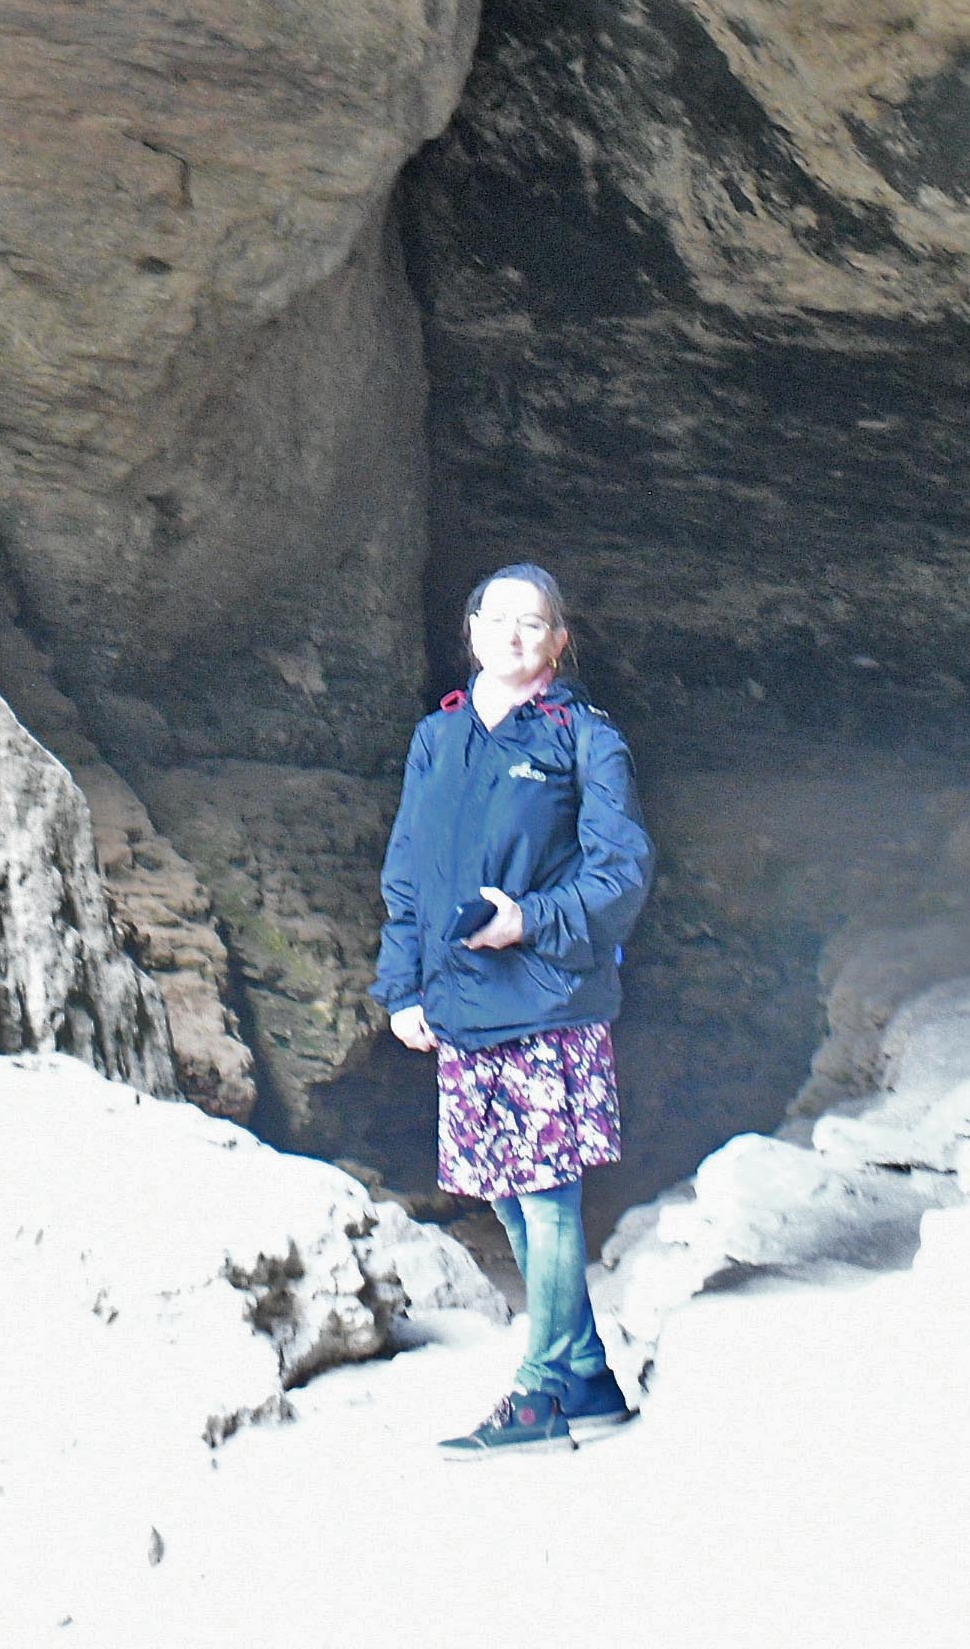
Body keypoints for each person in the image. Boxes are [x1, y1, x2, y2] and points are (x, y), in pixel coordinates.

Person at [374, 562, 655, 1458]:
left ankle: (539, 1393)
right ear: (471, 631)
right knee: (504, 1191)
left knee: (548, 1195)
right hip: (460, 1000)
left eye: (533, 623)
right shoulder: (437, 738)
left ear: (559, 642)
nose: (514, 635)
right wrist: (402, 986)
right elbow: (408, 871)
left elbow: (622, 874)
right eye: (498, 619)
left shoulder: (586, 739)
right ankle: (588, 1375)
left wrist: (527, 920)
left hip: (548, 999)